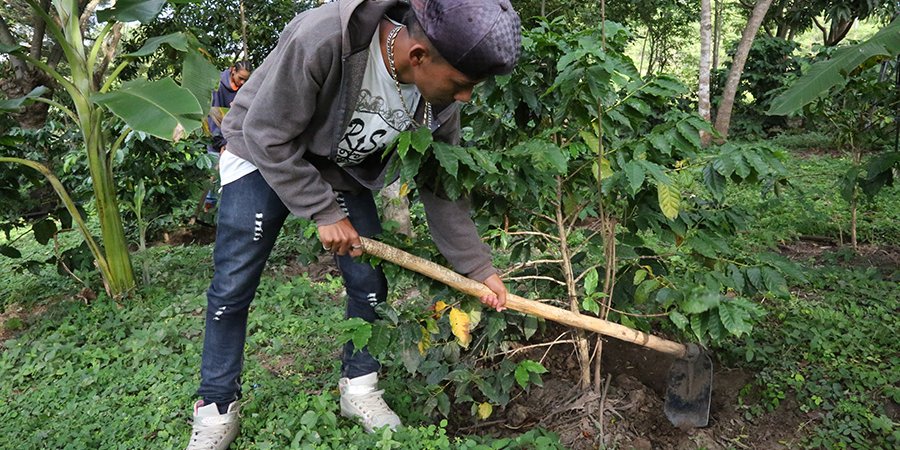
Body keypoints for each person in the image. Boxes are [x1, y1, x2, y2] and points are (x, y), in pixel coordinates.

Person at [185, 0, 521, 448]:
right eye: (462, 85)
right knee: (233, 284)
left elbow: (439, 185)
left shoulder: (439, 100)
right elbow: (267, 133)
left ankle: (359, 386)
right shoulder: (323, 37)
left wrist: (477, 267)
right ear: (418, 55)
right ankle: (215, 406)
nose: (465, 97)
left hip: (338, 167)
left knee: (368, 284)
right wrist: (324, 212)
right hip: (262, 151)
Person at [203, 61, 251, 212]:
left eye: (246, 80)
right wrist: (222, 143)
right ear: (232, 71)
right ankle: (208, 212)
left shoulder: (244, 89)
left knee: (232, 178)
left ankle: (229, 212)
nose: (242, 82)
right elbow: (214, 117)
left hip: (235, 140)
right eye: (240, 78)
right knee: (214, 178)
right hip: (217, 140)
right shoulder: (218, 86)